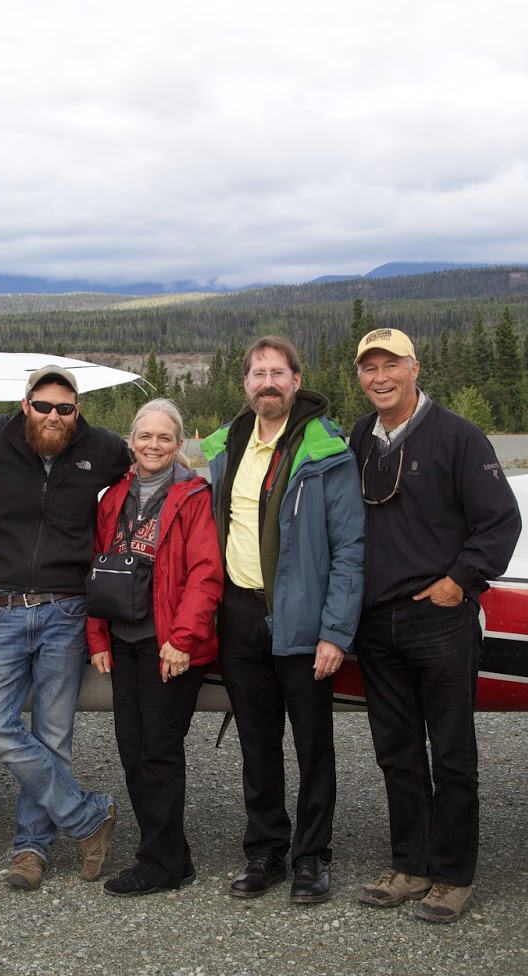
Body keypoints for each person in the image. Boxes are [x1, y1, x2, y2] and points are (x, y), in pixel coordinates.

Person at [349, 327, 521, 923]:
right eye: (369, 368)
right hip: (376, 622)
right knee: (395, 750)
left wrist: (460, 582)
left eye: (390, 365)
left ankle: (453, 874)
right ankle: (409, 864)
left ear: (414, 368)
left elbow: (500, 522)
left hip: (438, 620)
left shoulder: (458, 437)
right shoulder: (359, 440)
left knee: (450, 751)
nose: (379, 377)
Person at [201, 335, 364, 905]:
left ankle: (312, 858)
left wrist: (334, 631)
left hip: (302, 618)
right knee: (257, 742)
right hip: (240, 614)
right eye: (257, 373)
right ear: (244, 383)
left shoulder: (326, 450)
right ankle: (265, 849)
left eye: (278, 372)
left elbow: (349, 548)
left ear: (297, 380)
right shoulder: (228, 446)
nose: (267, 382)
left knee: (314, 743)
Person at [0, 366, 130, 890]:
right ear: (26, 404)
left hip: (67, 609)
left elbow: (152, 466)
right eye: (44, 405)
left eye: (65, 407)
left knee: (53, 736)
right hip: (4, 608)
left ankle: (30, 848)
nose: (54, 415)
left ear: (77, 412)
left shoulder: (102, 447)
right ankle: (87, 815)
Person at [87, 398, 223, 897]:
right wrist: (97, 638)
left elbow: (206, 574)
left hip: (169, 643)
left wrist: (182, 640)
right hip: (124, 639)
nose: (154, 446)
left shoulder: (192, 496)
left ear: (179, 443)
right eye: (145, 436)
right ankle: (173, 855)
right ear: (131, 440)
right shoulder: (114, 496)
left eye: (165, 438)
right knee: (132, 750)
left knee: (158, 752)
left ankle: (158, 863)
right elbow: (99, 568)